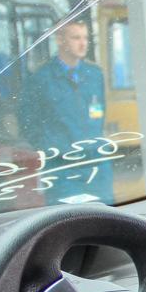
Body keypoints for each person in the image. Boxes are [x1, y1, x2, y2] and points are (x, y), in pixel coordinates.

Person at [19, 20, 112, 203]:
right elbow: (27, 121)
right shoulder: (41, 78)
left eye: (86, 38)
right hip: (62, 165)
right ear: (60, 40)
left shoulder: (94, 75)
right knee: (66, 220)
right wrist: (50, 146)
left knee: (106, 216)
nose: (83, 43)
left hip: (96, 161)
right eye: (76, 38)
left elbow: (99, 114)